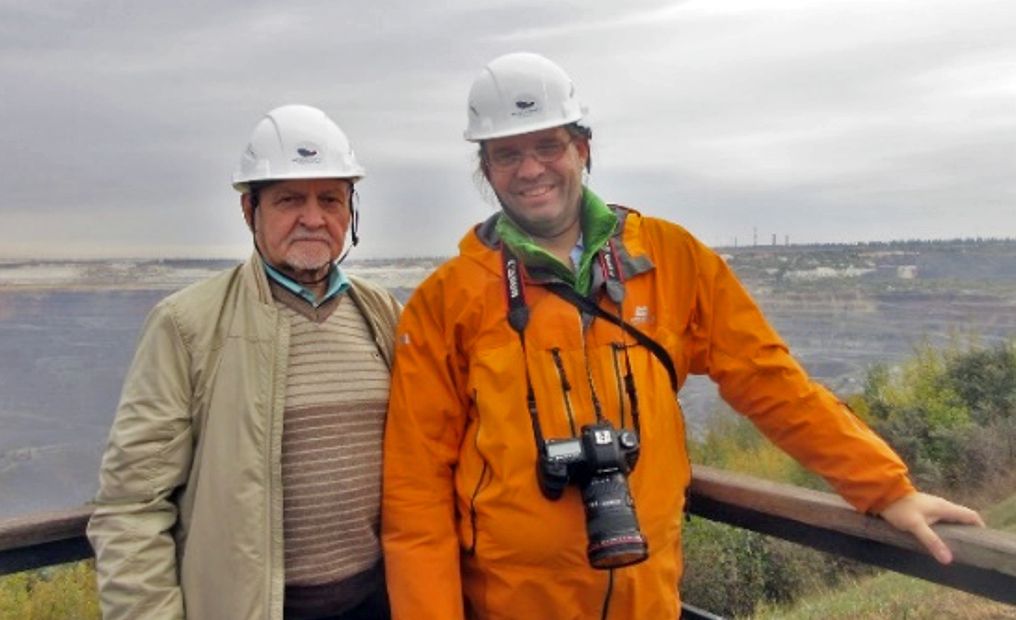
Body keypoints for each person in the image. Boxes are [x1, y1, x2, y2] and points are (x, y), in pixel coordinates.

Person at [380, 53, 984, 619]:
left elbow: (770, 380)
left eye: (548, 145)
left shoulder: (671, 259)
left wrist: (884, 488)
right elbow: (416, 495)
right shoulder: (446, 301)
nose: (531, 169)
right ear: (486, 169)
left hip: (648, 595)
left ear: (582, 148)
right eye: (507, 154)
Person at [87, 104, 400, 620]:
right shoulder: (187, 325)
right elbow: (132, 506)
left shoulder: (382, 313)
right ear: (249, 210)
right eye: (289, 200)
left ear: (350, 211)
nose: (313, 218)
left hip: (377, 603)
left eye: (330, 199)